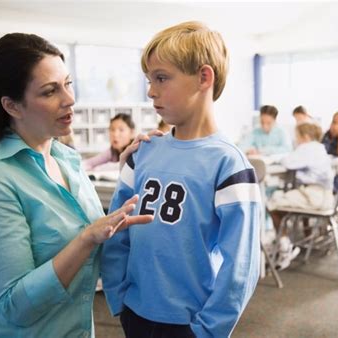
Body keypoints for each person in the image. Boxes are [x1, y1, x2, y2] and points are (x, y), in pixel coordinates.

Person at [0, 33, 154, 337]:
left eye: (68, 84)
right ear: (12, 106)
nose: (69, 99)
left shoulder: (68, 160)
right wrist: (85, 239)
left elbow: (97, 232)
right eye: (50, 91)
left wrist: (127, 176)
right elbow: (16, 306)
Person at [101, 21, 261, 338]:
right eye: (149, 79)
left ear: (204, 77)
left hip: (190, 324)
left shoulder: (229, 164)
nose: (150, 90)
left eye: (161, 78)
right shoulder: (142, 154)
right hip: (135, 312)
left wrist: (208, 331)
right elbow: (117, 229)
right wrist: (118, 297)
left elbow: (240, 265)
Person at [267, 122, 334, 270]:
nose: (295, 140)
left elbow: (289, 162)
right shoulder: (320, 148)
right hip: (326, 196)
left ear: (305, 137)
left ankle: (285, 247)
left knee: (272, 204)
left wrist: (280, 158)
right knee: (287, 198)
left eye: (296, 136)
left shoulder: (306, 148)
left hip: (314, 196)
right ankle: (289, 240)